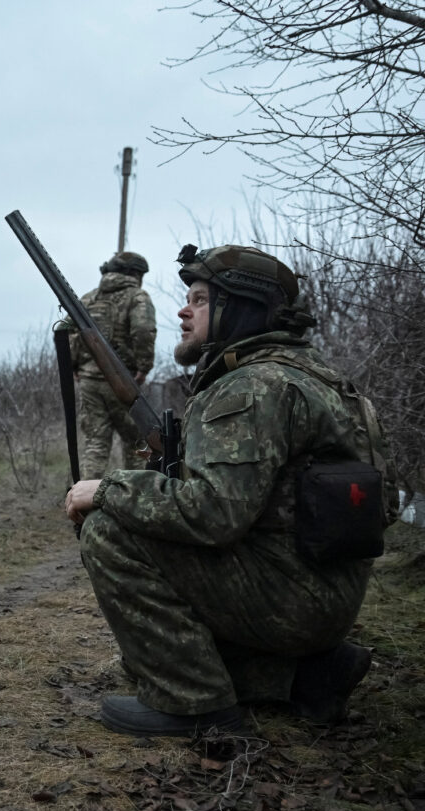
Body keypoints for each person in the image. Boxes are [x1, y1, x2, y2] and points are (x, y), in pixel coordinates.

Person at [63, 244, 396, 737]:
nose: (182, 309)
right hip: (325, 594)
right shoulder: (315, 377)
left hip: (291, 599)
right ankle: (307, 677)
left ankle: (193, 703)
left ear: (236, 308)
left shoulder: (250, 387)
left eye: (198, 299)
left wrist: (108, 489)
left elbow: (212, 514)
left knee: (110, 530)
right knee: (147, 642)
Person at [68, 251, 156, 478]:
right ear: (135, 274)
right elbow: (143, 330)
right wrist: (143, 367)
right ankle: (134, 497)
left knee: (95, 443)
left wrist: (75, 366)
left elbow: (70, 333)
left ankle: (85, 503)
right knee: (137, 442)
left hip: (88, 381)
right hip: (122, 380)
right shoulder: (137, 297)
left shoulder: (89, 298)